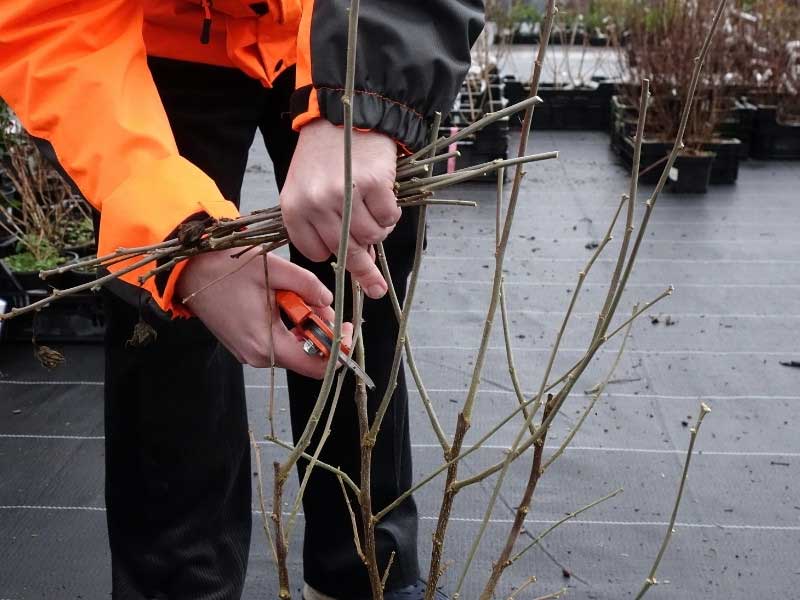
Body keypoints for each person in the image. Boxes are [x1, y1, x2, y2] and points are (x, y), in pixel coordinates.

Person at [0, 2, 484, 599]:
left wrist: (367, 98)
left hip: (338, 20)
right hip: (159, 36)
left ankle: (367, 571)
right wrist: (176, 237)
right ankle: (179, 585)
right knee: (161, 320)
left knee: (363, 280)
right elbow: (50, 20)